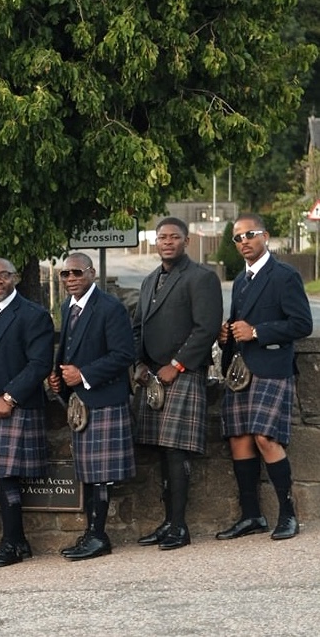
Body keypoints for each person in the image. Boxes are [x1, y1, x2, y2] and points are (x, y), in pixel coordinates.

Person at [216, 213, 313, 541]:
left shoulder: (284, 275)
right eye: (238, 237)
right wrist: (226, 335)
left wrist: (257, 331)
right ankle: (251, 516)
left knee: (265, 439)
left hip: (272, 368)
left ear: (265, 236)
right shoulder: (241, 280)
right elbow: (238, 326)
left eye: (249, 235)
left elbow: (302, 324)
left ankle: (288, 516)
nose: (243, 241)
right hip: (240, 372)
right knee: (239, 439)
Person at [132, 217, 222, 550]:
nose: (167, 242)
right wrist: (139, 365)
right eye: (162, 237)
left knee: (176, 449)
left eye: (174, 237)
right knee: (160, 449)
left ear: (186, 241)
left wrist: (177, 364)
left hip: (182, 374)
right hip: (152, 375)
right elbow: (137, 327)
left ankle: (180, 526)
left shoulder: (201, 278)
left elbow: (207, 328)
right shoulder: (149, 281)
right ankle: (167, 521)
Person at [48, 254, 136, 560]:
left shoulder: (110, 308)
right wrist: (59, 376)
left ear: (92, 273)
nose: (70, 278)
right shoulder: (67, 307)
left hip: (105, 398)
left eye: (76, 272)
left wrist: (83, 375)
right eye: (65, 274)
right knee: (87, 472)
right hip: (82, 401)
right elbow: (69, 351)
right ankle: (91, 533)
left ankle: (99, 537)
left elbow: (124, 354)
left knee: (100, 473)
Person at [0, 258, 53, 568]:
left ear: (15, 278)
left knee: (7, 476)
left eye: (3, 275)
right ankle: (17, 542)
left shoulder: (33, 315)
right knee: (0, 476)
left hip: (13, 404)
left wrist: (10, 396)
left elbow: (39, 364)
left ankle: (13, 543)